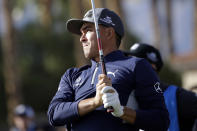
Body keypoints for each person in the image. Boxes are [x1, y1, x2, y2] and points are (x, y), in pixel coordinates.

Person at [47, 8, 169, 131]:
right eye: (81, 33)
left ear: (109, 33)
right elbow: (54, 114)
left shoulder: (136, 66)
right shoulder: (72, 75)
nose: (81, 38)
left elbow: (161, 120)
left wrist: (121, 111)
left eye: (88, 30)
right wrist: (95, 102)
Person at [126, 43, 197, 131]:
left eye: (135, 62)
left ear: (152, 67)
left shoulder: (180, 97)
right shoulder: (126, 96)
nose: (128, 66)